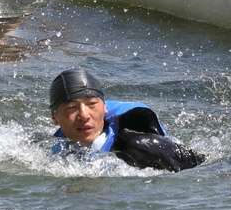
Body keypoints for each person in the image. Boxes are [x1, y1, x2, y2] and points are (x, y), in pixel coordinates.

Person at [49, 68, 205, 172]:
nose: (84, 115)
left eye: (92, 104)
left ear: (104, 108)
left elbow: (202, 167)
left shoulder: (138, 146)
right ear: (55, 117)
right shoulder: (53, 145)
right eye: (71, 108)